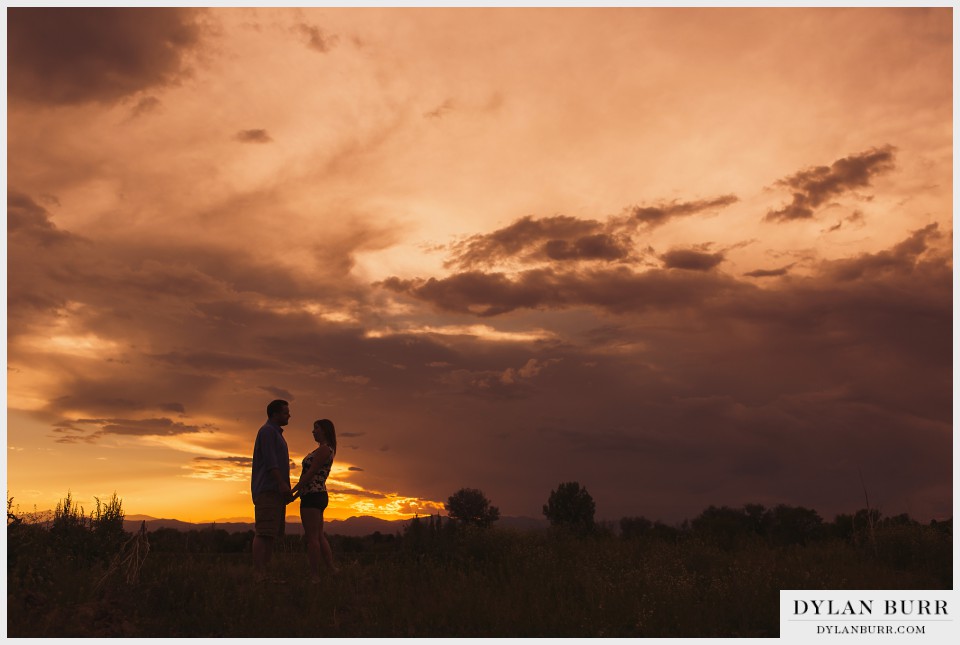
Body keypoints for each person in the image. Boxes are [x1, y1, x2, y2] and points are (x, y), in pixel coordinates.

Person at [292, 418, 339, 580]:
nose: (313, 431)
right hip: (316, 494)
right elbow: (311, 477)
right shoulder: (325, 449)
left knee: (312, 538)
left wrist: (294, 490)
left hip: (313, 496)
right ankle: (332, 570)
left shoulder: (324, 450)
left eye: (316, 428)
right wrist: (297, 494)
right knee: (318, 535)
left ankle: (314, 575)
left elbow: (310, 474)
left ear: (324, 430)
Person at [251, 399, 292, 583]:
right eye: (285, 412)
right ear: (275, 414)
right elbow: (270, 461)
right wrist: (282, 483)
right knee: (263, 532)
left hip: (275, 491)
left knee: (271, 534)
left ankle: (265, 575)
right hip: (268, 489)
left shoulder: (276, 433)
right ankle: (259, 575)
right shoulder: (267, 431)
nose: (289, 415)